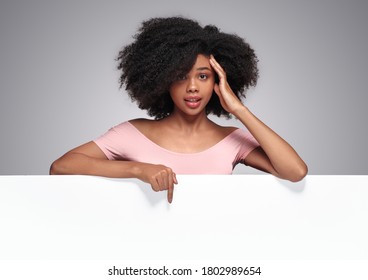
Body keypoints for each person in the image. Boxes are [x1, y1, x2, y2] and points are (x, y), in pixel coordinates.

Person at [50, 17, 308, 203]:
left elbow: (295, 172)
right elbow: (61, 167)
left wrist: (239, 108)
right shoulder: (132, 133)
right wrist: (139, 170)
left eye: (204, 76)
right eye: (181, 77)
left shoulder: (232, 139)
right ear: (164, 80)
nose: (193, 87)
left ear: (218, 82)